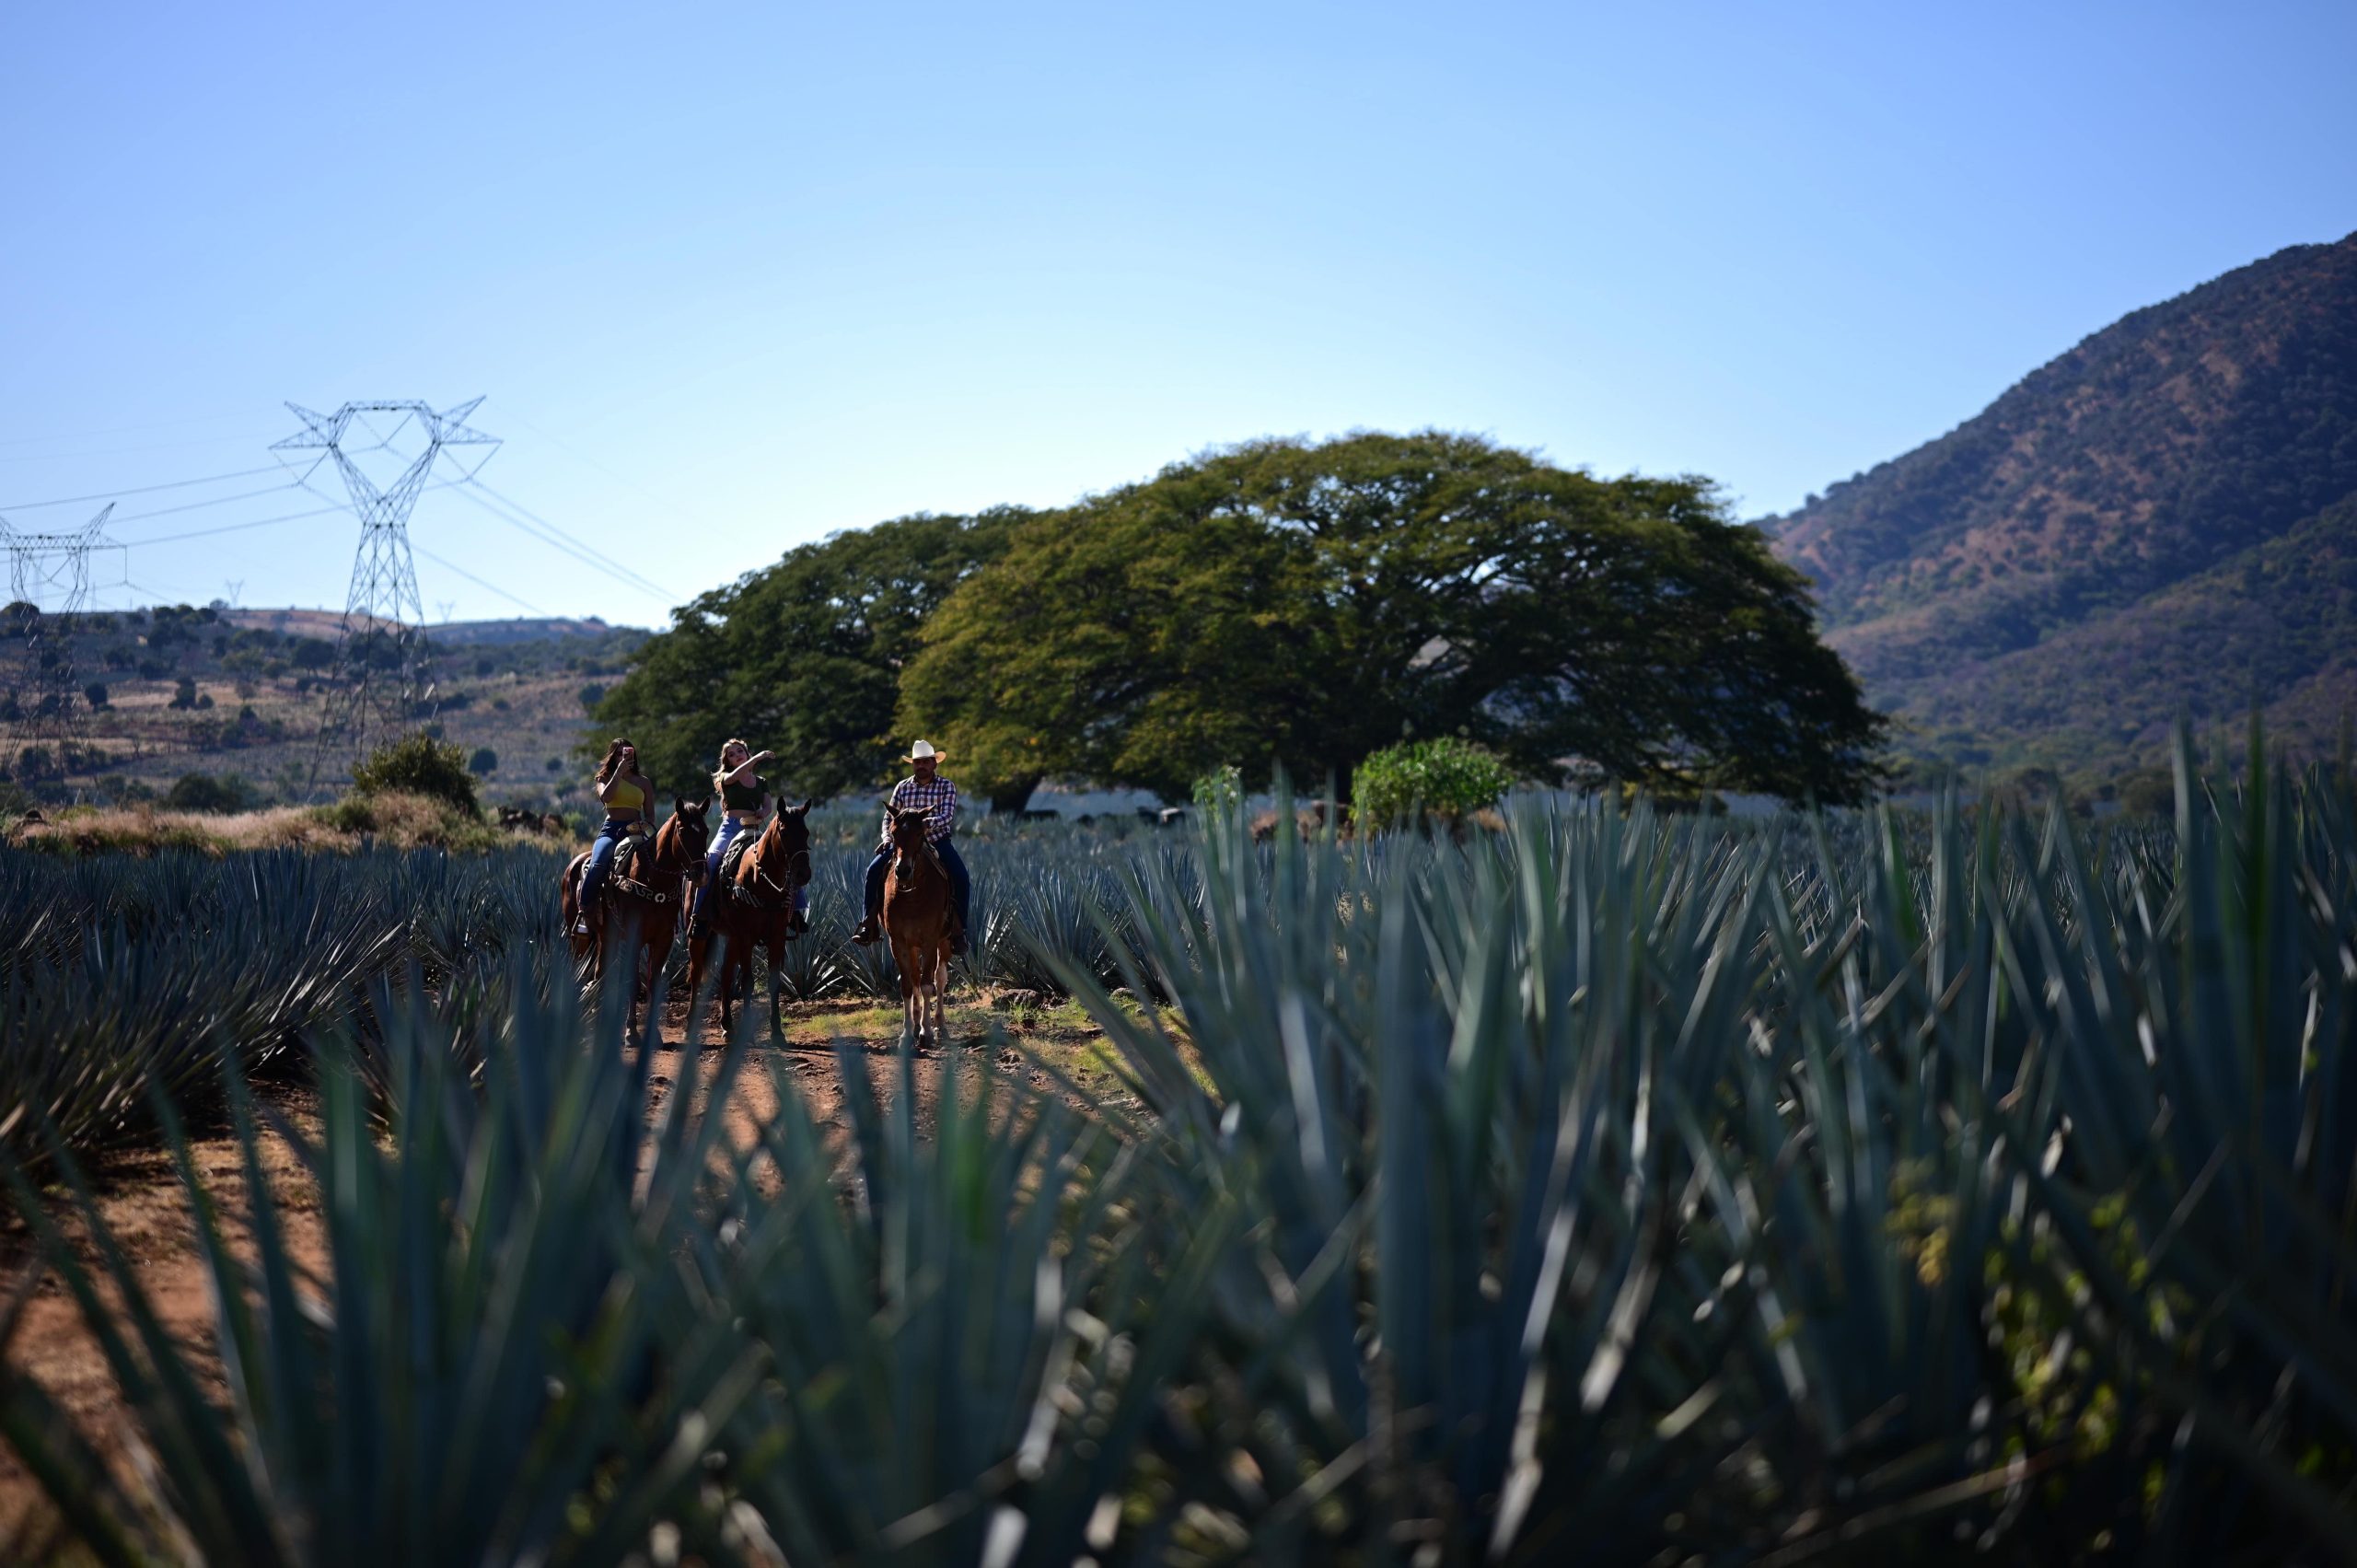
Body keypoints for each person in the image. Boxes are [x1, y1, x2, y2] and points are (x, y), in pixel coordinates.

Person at [851, 738, 970, 952]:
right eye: (917, 762)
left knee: (961, 877)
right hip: (903, 843)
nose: (921, 766)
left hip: (936, 841)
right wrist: (887, 838)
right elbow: (889, 818)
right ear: (913, 765)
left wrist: (921, 826)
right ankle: (868, 923)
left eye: (925, 762)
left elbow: (946, 816)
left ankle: (959, 932)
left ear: (934, 763)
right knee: (873, 871)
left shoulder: (946, 786)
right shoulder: (902, 787)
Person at [690, 738, 798, 936]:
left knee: (788, 858)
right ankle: (699, 916)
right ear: (728, 761)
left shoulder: (761, 782)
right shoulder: (726, 777)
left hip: (755, 829)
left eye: (740, 751)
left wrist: (763, 813)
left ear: (746, 753)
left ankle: (796, 912)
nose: (737, 755)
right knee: (712, 860)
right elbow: (738, 775)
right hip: (730, 828)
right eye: (731, 754)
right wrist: (757, 758)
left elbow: (767, 805)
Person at [575, 737, 656, 935]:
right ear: (613, 756)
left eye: (627, 752)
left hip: (637, 830)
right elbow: (607, 797)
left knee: (663, 864)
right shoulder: (604, 778)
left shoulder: (643, 782)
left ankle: (671, 918)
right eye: (619, 753)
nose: (623, 756)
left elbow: (651, 814)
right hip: (612, 830)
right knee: (598, 864)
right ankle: (585, 912)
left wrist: (646, 825)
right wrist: (619, 772)